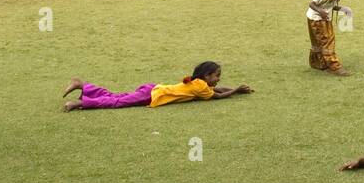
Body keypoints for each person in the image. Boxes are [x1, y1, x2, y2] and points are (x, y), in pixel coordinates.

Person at [62, 62, 251, 111]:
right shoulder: (200, 87)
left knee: (116, 96)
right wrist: (236, 90)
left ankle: (83, 86)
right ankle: (81, 103)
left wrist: (236, 89)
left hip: (152, 90)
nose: (218, 79)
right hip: (152, 96)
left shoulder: (199, 83)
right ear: (207, 76)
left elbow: (217, 89)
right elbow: (217, 95)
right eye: (216, 76)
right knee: (117, 102)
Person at [307, 0, 353, 76]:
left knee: (319, 42)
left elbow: (329, 6)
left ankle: (319, 63)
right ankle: (334, 67)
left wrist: (342, 9)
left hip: (322, 19)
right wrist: (320, 12)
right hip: (317, 20)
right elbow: (312, 4)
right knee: (328, 42)